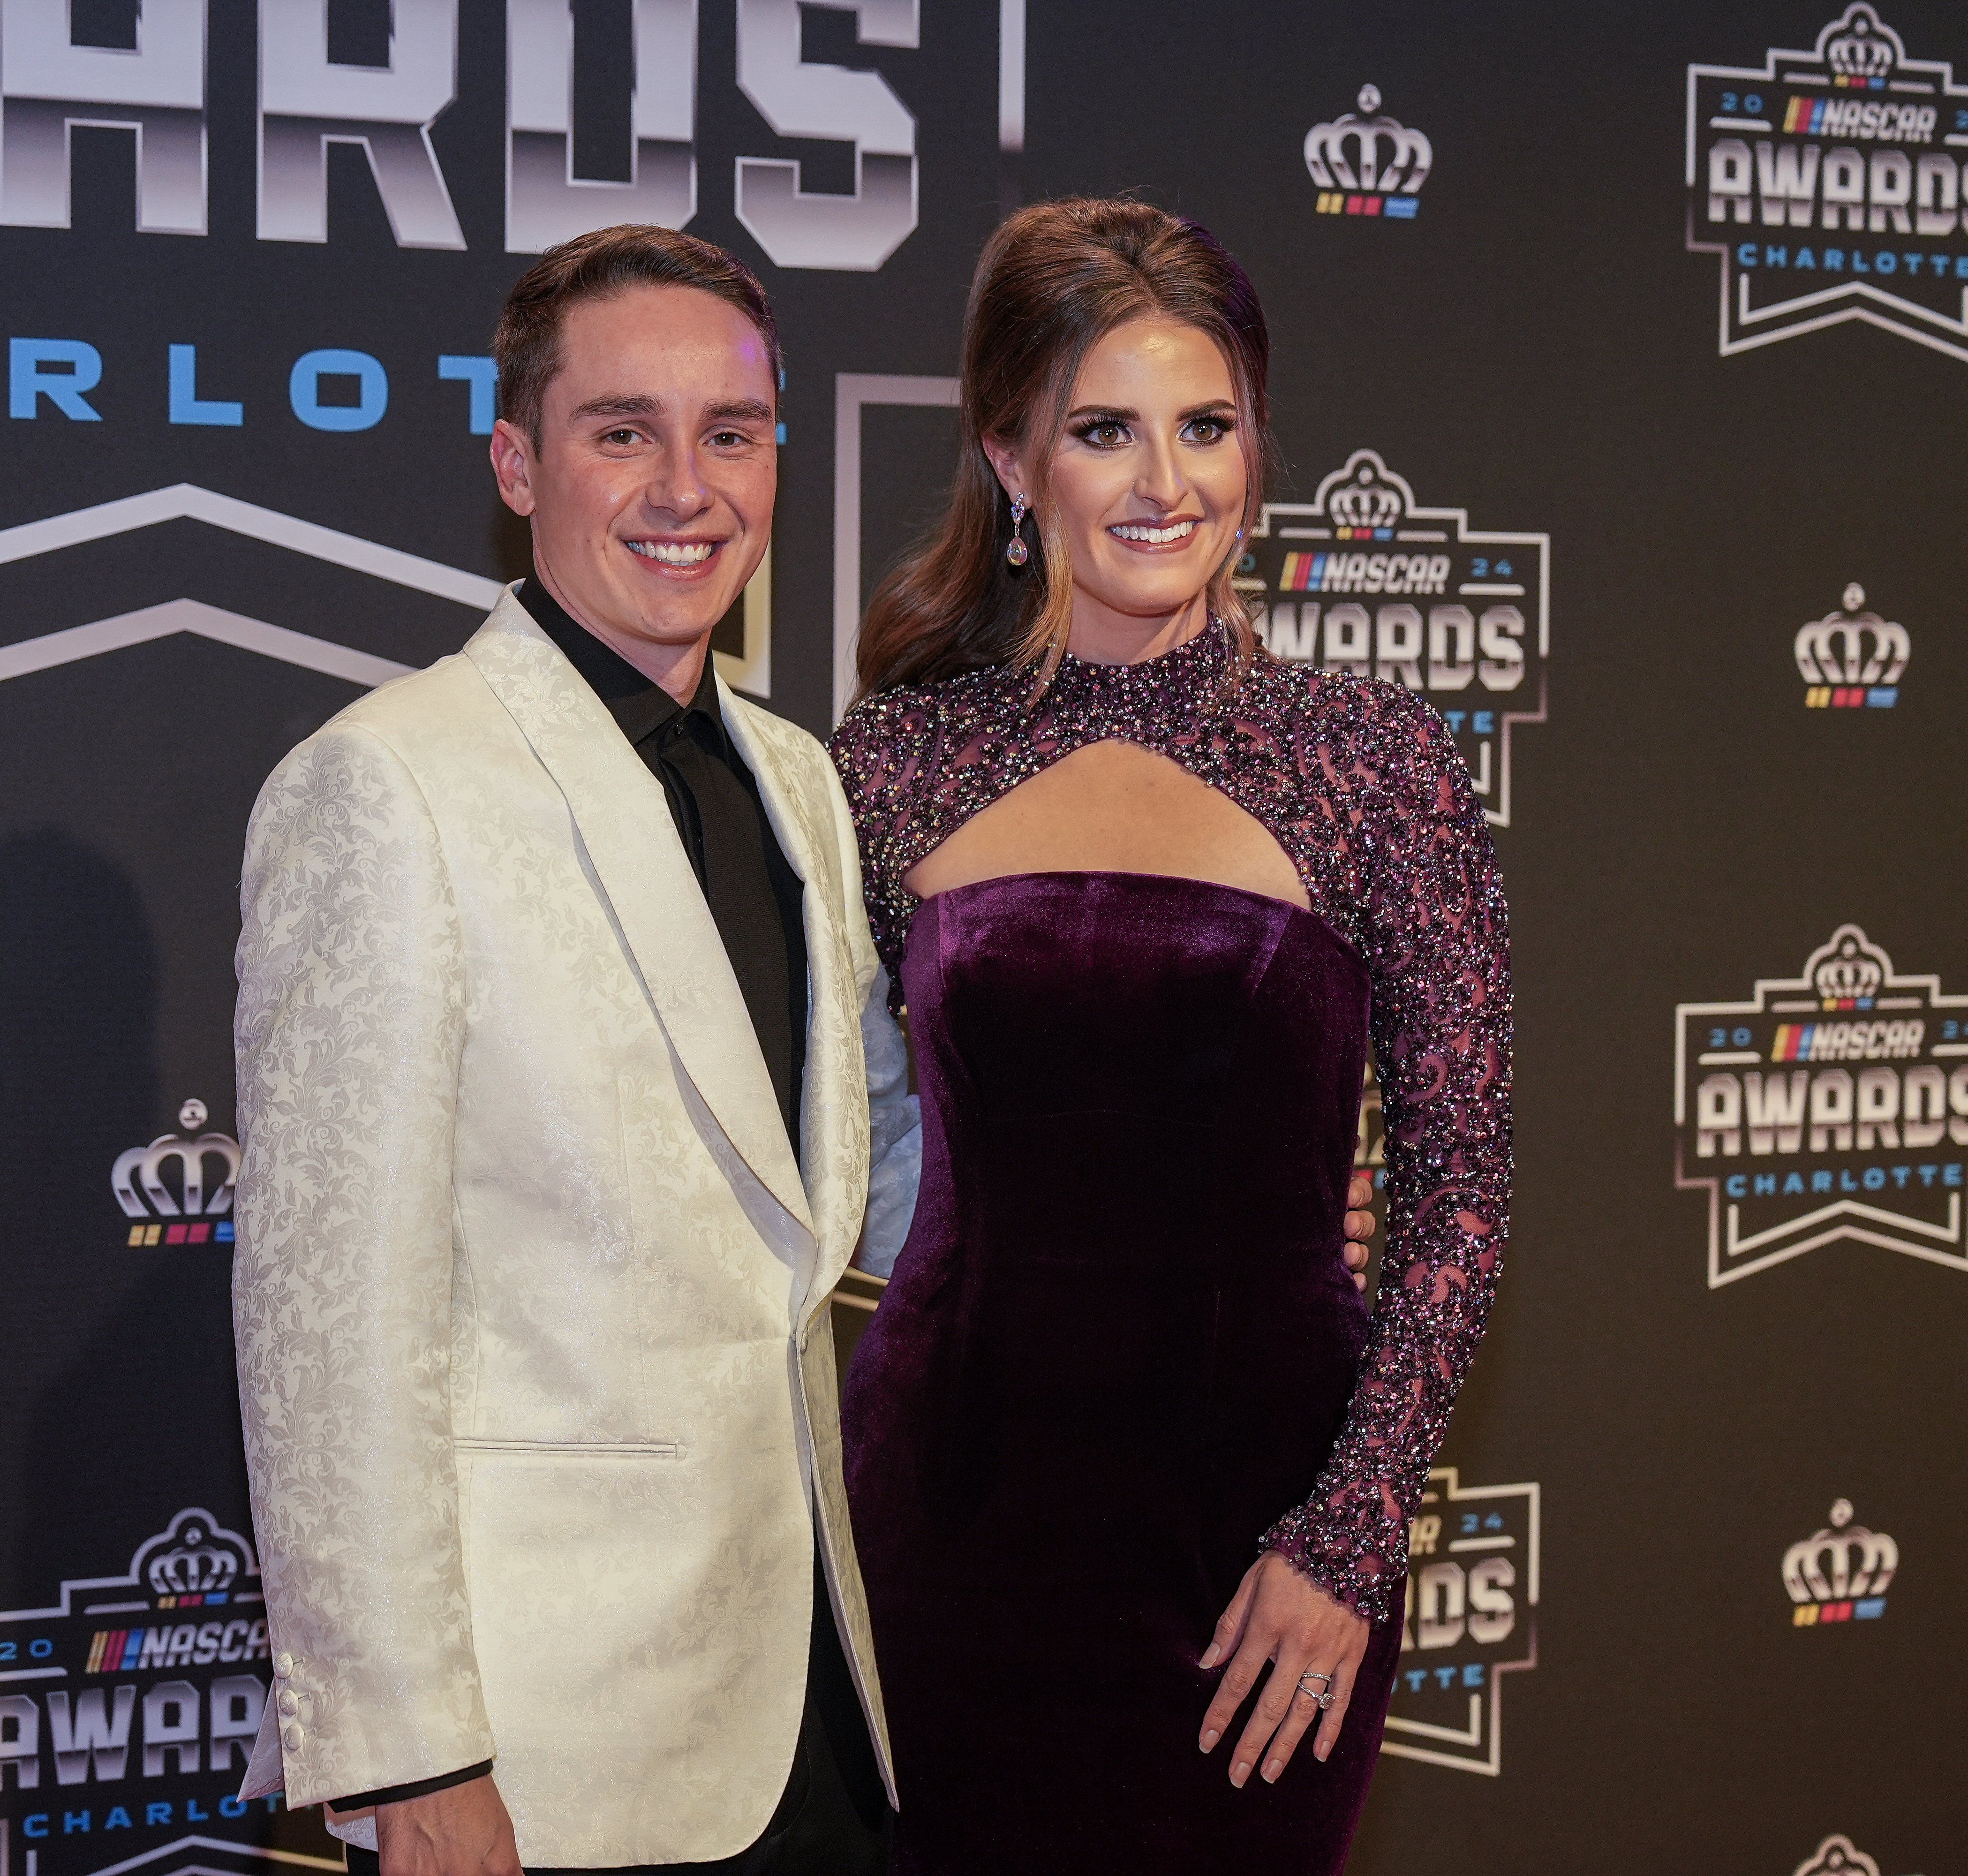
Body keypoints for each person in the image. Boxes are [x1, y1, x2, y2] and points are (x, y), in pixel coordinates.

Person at [229, 222, 1380, 1876]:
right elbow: (326, 1339)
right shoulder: (392, 788)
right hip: (546, 1750)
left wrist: (1186, 1228)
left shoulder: (801, 785)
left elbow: (887, 1176)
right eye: (623, 431)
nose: (684, 487)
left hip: (822, 1698)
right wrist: (416, 1761)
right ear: (514, 460)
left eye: (733, 435)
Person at [828, 196, 1513, 1873]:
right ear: (1010, 458)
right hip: (947, 1520)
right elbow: (827, 1143)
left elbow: (1468, 1182)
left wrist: (1350, 1540)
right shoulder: (894, 763)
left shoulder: (1373, 762)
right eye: (1103, 432)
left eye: (1206, 428)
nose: (1164, 483)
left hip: (1258, 1542)